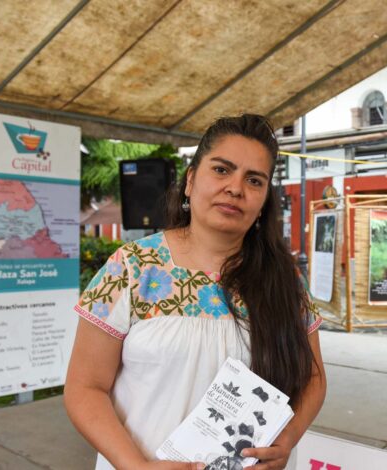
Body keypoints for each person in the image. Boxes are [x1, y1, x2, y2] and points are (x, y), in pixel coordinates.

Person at [64, 115, 326, 470]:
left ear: (264, 200)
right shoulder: (131, 268)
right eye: (221, 170)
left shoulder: (285, 279)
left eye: (253, 180)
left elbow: (312, 379)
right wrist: (135, 467)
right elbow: (85, 388)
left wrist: (287, 440)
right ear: (190, 181)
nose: (235, 188)